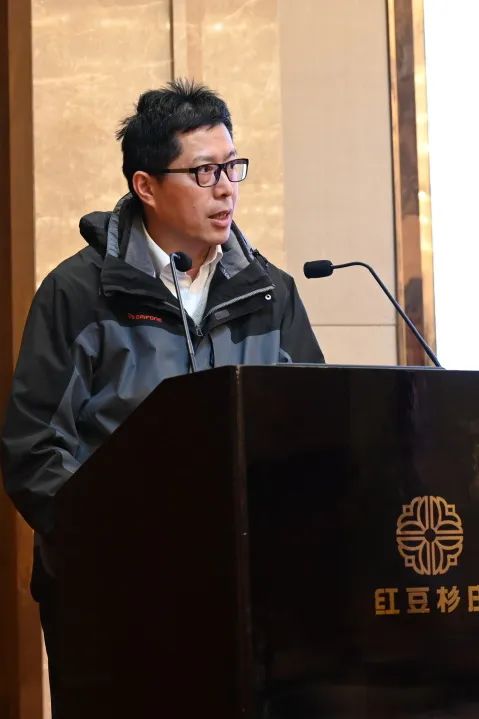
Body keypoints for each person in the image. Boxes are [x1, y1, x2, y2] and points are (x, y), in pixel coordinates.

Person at [0, 79, 324, 714]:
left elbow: (312, 428)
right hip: (114, 599)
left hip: (245, 595)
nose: (226, 188)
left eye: (232, 167)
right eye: (203, 172)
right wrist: (118, 544)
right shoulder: (79, 293)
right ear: (145, 186)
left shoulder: (271, 293)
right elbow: (34, 449)